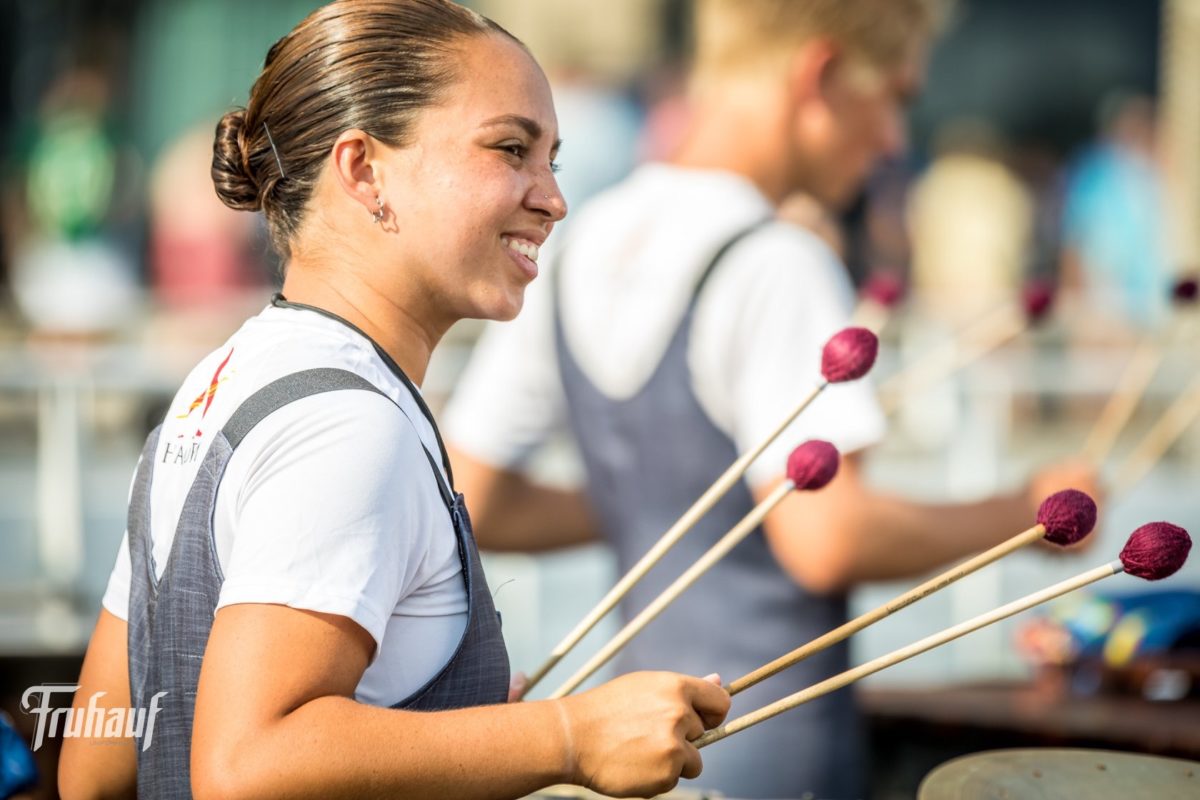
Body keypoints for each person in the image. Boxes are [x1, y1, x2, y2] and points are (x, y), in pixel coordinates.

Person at [58, 2, 730, 799]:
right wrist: (563, 736)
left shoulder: (217, 385)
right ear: (364, 170)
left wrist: (455, 736)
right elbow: (246, 764)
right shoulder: (348, 422)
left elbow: (94, 767)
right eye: (511, 149)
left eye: (552, 157)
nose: (554, 198)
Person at [444, 1, 1100, 797]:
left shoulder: (586, 238)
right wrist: (1030, 512)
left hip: (637, 754)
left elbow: (478, 500)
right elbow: (826, 533)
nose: (896, 137)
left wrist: (664, 495)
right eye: (892, 95)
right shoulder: (779, 257)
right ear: (819, 76)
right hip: (776, 750)